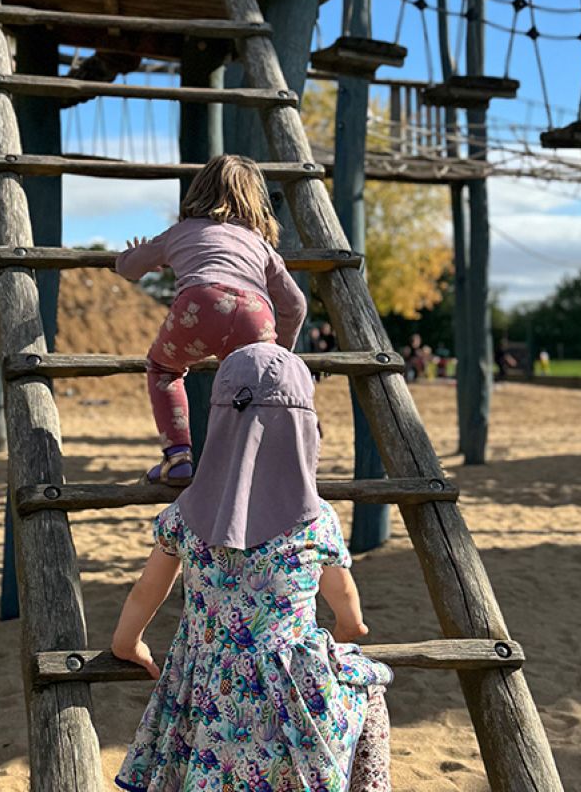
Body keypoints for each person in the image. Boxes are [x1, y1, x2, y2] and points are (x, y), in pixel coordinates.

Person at [112, 343, 393, 792]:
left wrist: (128, 643)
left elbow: (146, 591)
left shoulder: (184, 516)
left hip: (208, 708)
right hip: (291, 712)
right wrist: (346, 629)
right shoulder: (316, 523)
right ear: (304, 430)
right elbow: (348, 608)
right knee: (370, 694)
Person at [116, 154, 307, 486]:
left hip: (199, 305)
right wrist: (280, 353)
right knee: (252, 384)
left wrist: (133, 255)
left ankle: (177, 456)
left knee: (163, 369)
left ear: (199, 190)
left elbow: (128, 269)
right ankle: (249, 461)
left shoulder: (180, 231)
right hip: (254, 315)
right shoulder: (260, 244)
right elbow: (296, 304)